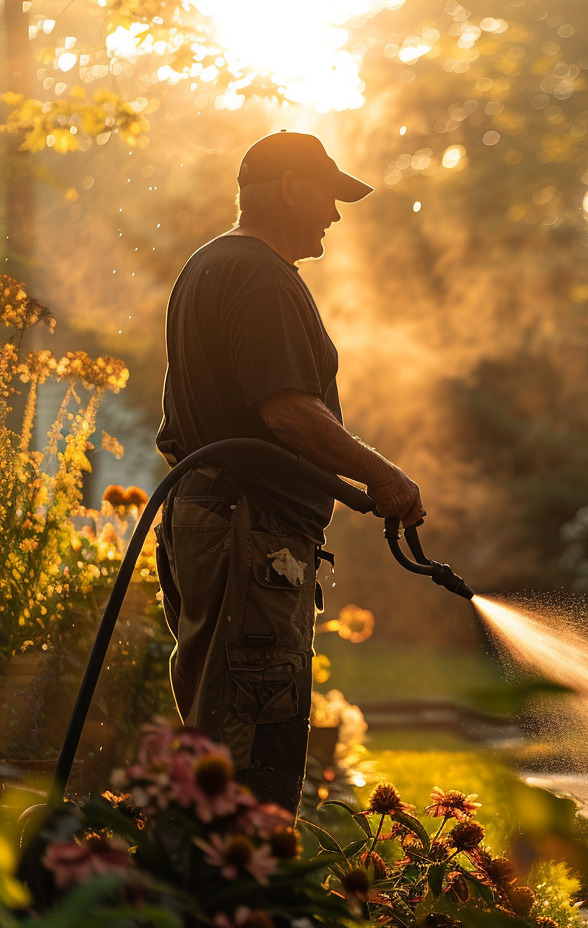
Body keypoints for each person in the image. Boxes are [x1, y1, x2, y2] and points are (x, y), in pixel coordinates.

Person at [154, 130, 424, 813]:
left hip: (214, 519)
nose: (334, 215)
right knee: (247, 739)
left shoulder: (210, 265)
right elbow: (288, 412)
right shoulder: (261, 276)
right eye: (327, 197)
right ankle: (234, 902)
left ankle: (212, 888)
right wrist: (384, 479)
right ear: (289, 187)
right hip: (248, 532)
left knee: (220, 720)